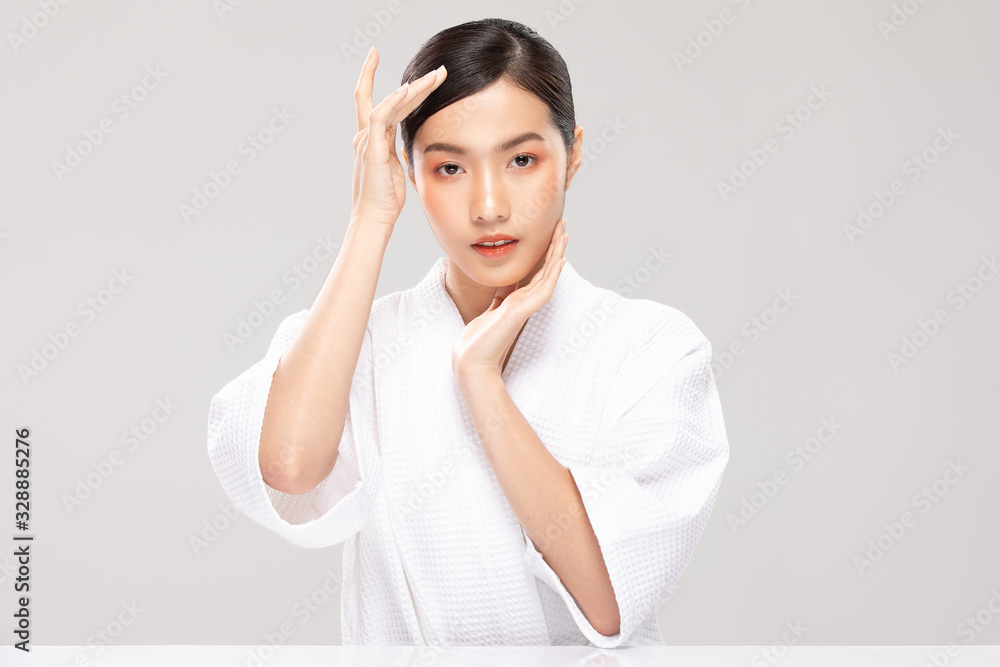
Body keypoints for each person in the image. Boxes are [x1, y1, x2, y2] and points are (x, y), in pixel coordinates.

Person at [206, 17, 730, 648]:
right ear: (409, 172)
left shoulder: (651, 348)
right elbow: (288, 466)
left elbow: (607, 602)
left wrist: (480, 380)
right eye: (450, 168)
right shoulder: (361, 343)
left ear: (574, 154)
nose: (488, 206)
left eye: (522, 160)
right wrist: (371, 217)